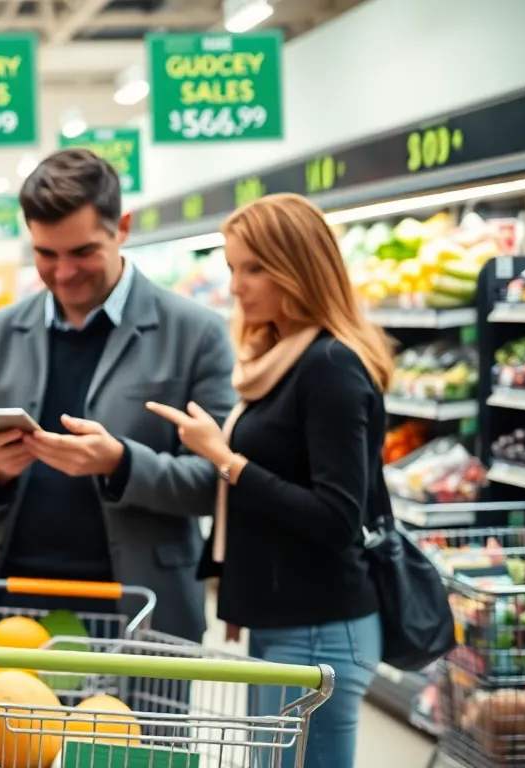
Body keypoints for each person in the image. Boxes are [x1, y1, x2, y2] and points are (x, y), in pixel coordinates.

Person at [0, 148, 236, 642]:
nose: (63, 273)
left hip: (143, 611)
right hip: (16, 605)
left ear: (120, 227)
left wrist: (121, 465)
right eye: (45, 254)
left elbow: (217, 482)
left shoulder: (194, 333)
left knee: (141, 726)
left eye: (82, 253)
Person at [146, 193, 390, 768]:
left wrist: (224, 458)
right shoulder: (280, 360)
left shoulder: (331, 368)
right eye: (232, 267)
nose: (235, 286)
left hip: (320, 628)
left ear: (298, 267)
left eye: (252, 267)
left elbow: (336, 518)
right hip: (286, 621)